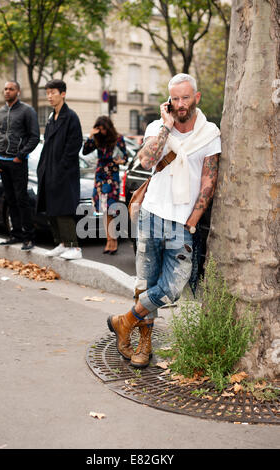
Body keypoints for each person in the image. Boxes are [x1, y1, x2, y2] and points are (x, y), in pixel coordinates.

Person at [107, 73, 221, 368]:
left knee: (172, 287)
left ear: (197, 98)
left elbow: (209, 182)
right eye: (175, 98)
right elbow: (146, 161)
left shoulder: (210, 134)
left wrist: (192, 221)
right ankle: (144, 344)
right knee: (146, 283)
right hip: (151, 215)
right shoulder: (157, 127)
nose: (180, 104)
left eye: (185, 97)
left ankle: (125, 321)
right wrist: (167, 128)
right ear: (169, 100)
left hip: (181, 222)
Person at [36, 79, 83, 260]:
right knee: (51, 210)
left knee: (63, 210)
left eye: (53, 92)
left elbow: (74, 146)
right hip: (48, 170)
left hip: (64, 173)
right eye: (47, 93)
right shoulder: (51, 117)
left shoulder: (70, 117)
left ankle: (74, 247)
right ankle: (62, 243)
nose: (49, 96)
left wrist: (61, 168)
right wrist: (43, 169)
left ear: (62, 94)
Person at [0, 80, 40, 251]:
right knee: (10, 199)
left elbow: (35, 137)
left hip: (18, 162)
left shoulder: (27, 111)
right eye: (5, 89)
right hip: (2, 162)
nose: (7, 91)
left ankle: (29, 238)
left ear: (18, 91)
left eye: (11, 89)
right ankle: (15, 234)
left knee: (22, 200)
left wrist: (20, 156)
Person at [82, 116, 128, 254]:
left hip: (111, 176)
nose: (101, 132)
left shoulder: (118, 138)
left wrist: (120, 161)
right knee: (104, 210)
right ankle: (109, 241)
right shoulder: (97, 140)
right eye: (99, 129)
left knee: (110, 209)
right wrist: (91, 135)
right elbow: (85, 151)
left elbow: (125, 157)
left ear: (108, 127)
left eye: (103, 129)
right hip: (100, 176)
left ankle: (113, 241)